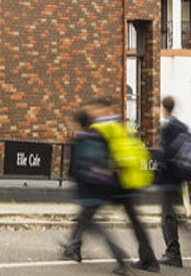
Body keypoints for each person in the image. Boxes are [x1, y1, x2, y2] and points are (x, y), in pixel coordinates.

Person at [63, 97, 159, 273]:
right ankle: (149, 259)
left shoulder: (102, 128)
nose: (91, 111)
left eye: (94, 108)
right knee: (132, 222)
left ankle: (76, 248)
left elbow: (100, 155)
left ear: (103, 109)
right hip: (128, 180)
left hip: (113, 182)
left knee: (88, 215)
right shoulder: (122, 126)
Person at [61, 107, 132, 275]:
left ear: (78, 124)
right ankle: (73, 250)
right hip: (101, 187)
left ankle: (121, 259)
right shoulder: (100, 138)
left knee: (94, 226)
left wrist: (74, 181)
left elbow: (75, 168)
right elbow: (110, 161)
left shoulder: (79, 141)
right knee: (82, 220)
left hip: (87, 190)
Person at [156, 95, 189, 268]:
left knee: (167, 217)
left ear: (163, 108)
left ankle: (173, 254)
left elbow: (165, 155)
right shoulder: (182, 127)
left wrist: (157, 177)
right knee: (172, 216)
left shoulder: (169, 128)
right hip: (179, 178)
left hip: (169, 180)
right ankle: (174, 250)